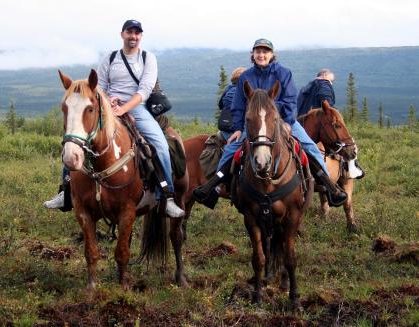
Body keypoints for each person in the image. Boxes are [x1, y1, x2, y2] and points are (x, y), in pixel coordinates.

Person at [44, 19, 185, 218]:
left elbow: (144, 90)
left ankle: (167, 195)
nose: (133, 36)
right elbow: (98, 86)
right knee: (77, 138)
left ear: (141, 36)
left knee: (160, 144)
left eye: (137, 33)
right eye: (130, 32)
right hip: (109, 107)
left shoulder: (148, 58)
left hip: (138, 108)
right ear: (122, 34)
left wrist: (124, 109)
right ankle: (65, 191)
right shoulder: (110, 58)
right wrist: (110, 103)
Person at [193, 38, 348, 209]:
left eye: (265, 52)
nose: (261, 55)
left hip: (283, 119)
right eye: (258, 52)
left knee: (310, 147)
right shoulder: (246, 76)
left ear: (271, 55)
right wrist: (237, 128)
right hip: (256, 123)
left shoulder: (283, 74)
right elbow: (237, 105)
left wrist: (287, 121)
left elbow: (290, 101)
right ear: (253, 54)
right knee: (231, 149)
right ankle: (214, 188)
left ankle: (330, 187)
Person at [297, 69, 365, 179]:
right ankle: (352, 169)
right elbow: (326, 102)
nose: (331, 83)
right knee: (346, 142)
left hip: (302, 125)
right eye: (331, 80)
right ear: (324, 76)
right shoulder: (324, 84)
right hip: (320, 123)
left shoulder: (305, 88)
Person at [217, 67, 246, 141]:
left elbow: (220, 105)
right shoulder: (241, 92)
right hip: (236, 129)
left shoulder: (228, 89)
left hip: (224, 128)